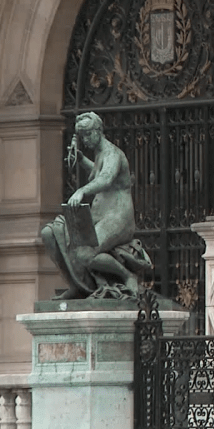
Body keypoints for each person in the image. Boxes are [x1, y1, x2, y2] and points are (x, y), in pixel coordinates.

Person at [40, 112, 151, 299]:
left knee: (85, 253)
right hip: (99, 216)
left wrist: (81, 191)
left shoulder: (113, 153)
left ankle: (127, 276)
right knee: (49, 234)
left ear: (99, 131)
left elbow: (106, 178)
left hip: (117, 218)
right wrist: (81, 159)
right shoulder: (100, 154)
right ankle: (76, 285)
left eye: (88, 134)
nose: (86, 140)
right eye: (82, 136)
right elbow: (97, 172)